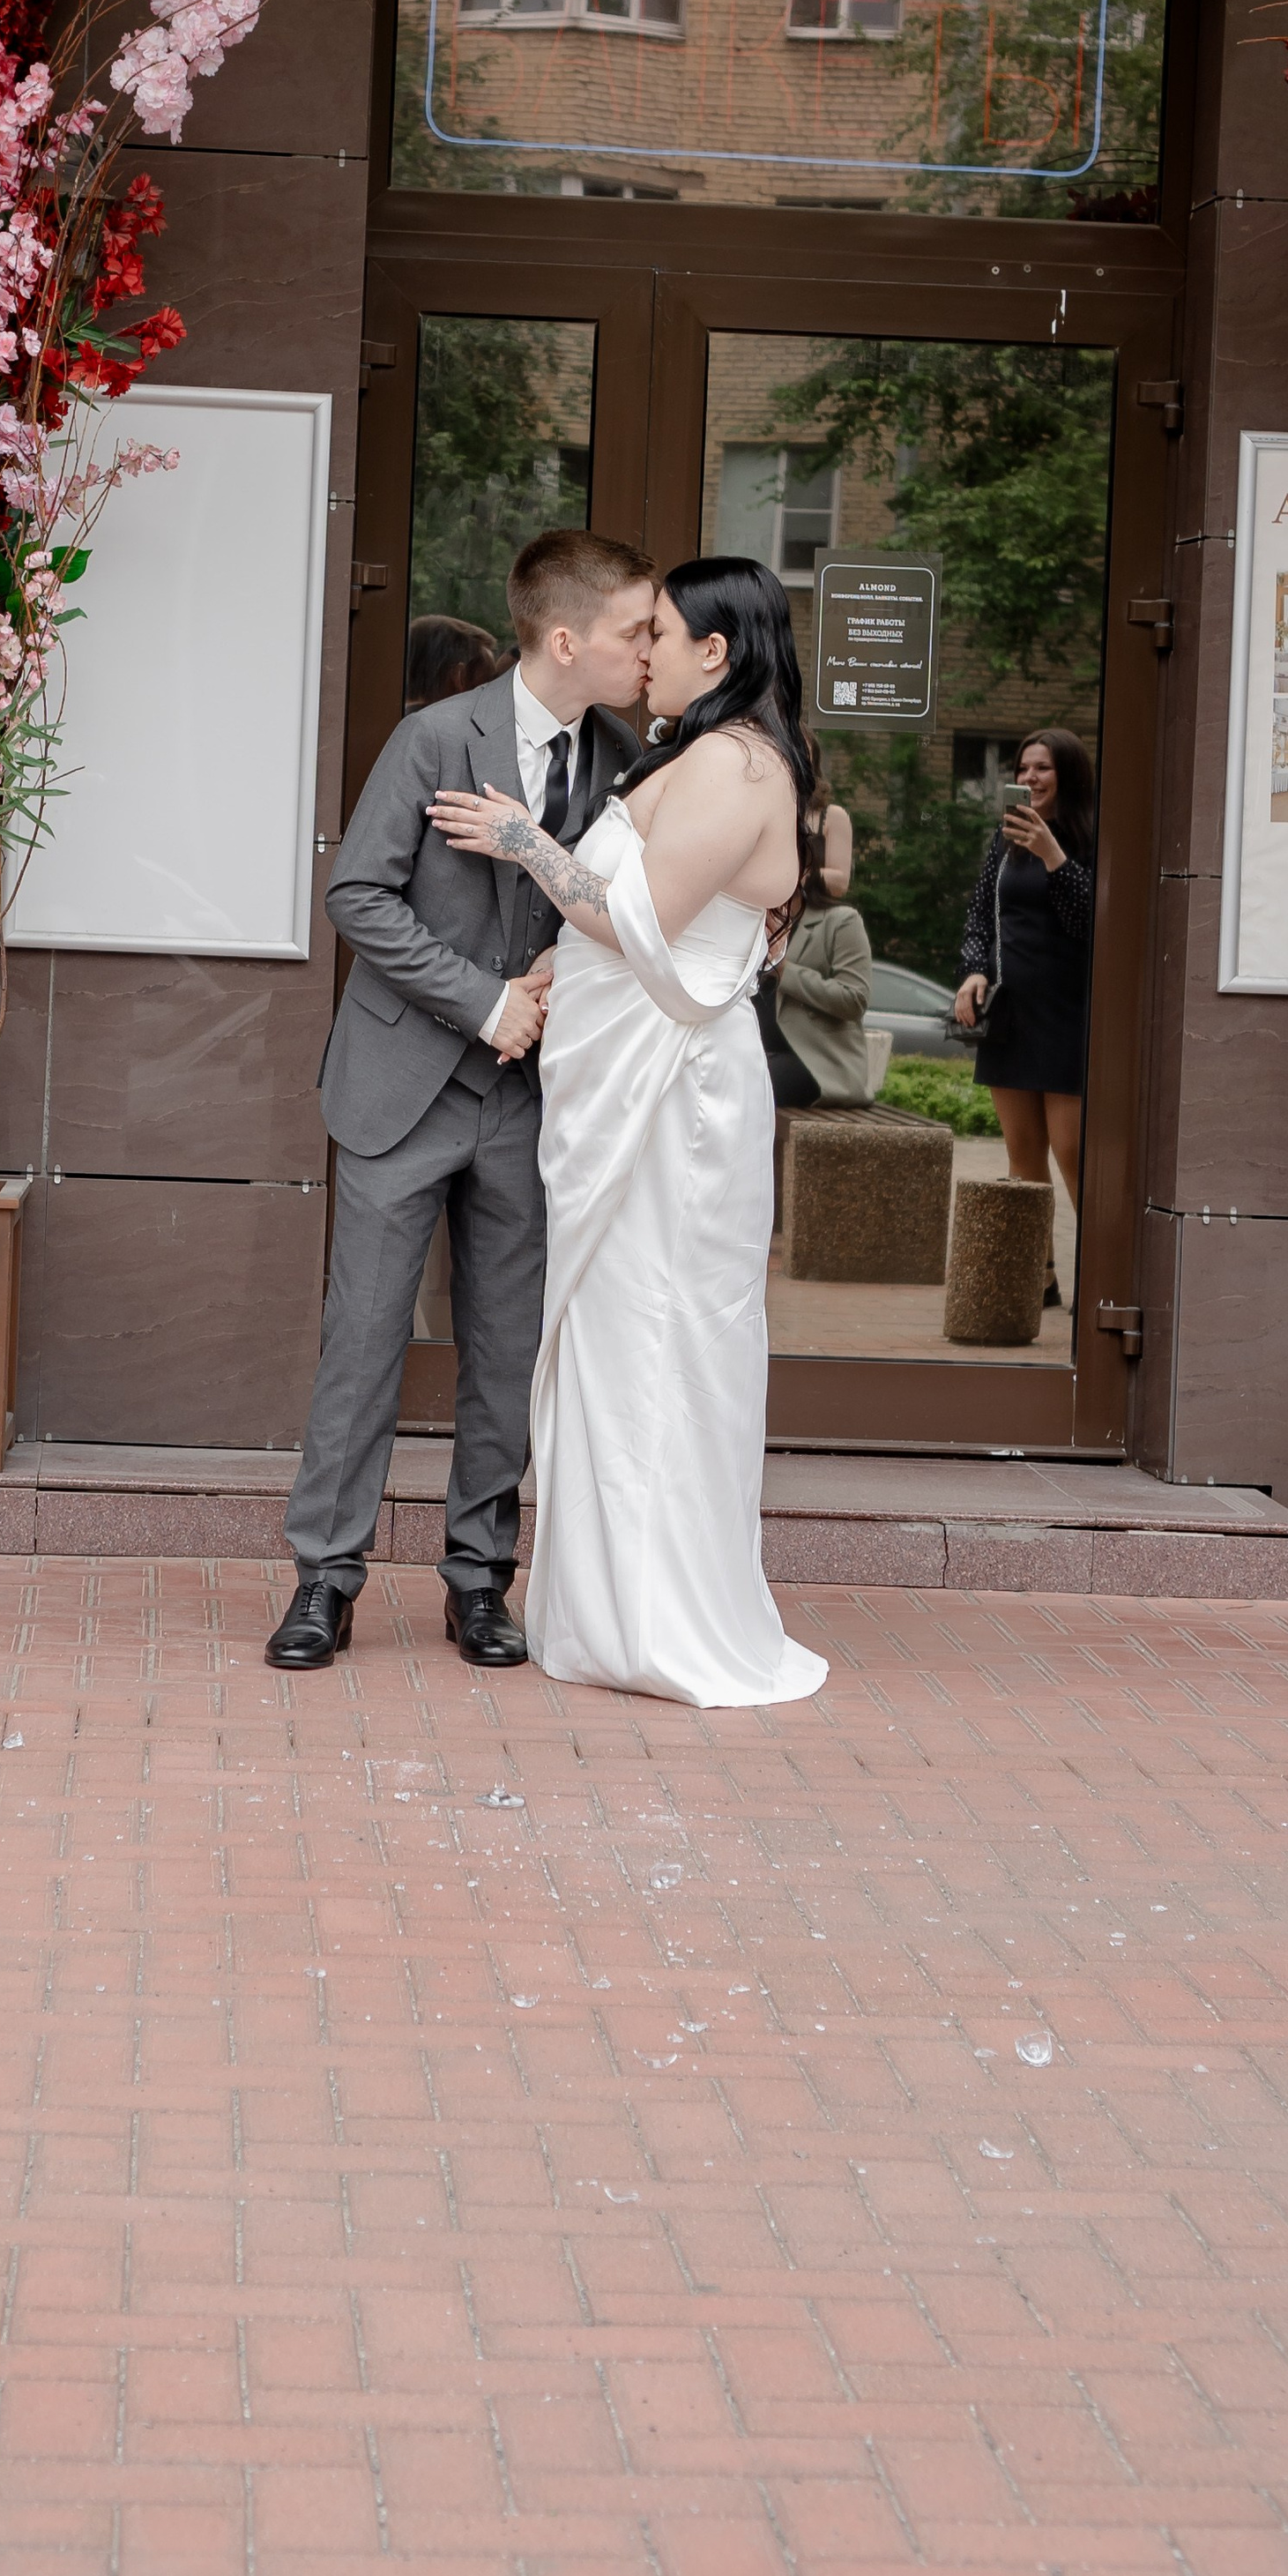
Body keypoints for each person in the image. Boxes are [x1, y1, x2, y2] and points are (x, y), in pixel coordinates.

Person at [429, 556, 830, 1711]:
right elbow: (629, 930)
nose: (637, 652)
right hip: (632, 1090)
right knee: (614, 1341)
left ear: (718, 650)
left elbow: (640, 920)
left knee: (661, 1344)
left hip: (675, 1107)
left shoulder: (736, 764)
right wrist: (555, 962)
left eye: (659, 633)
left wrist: (521, 840)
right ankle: (603, 1611)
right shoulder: (702, 757)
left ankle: (658, 1622)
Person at [267, 530, 657, 1674]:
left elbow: (612, 920)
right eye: (635, 631)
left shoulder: (622, 761)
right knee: (364, 1347)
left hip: (534, 1105)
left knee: (505, 1357)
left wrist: (551, 987)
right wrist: (486, 1001)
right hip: (403, 1091)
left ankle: (480, 1584)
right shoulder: (436, 737)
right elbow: (358, 895)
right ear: (568, 637)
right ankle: (324, 1583)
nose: (649, 650)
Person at [951, 728, 1095, 1292]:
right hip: (1012, 1010)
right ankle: (1042, 1279)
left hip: (1068, 1012)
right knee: (1023, 1154)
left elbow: (1091, 922)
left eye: (1044, 769)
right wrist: (974, 969)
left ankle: (1104, 1266)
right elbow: (980, 919)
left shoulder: (1088, 838)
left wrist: (1053, 854)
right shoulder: (1002, 843)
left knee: (1073, 1149)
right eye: (1024, 768)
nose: (1030, 779)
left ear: (1068, 776)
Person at [763, 835, 875, 1109]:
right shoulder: (756, 921)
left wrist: (783, 969)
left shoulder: (841, 921)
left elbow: (854, 1000)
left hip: (817, 1063)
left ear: (807, 871)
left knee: (744, 1085)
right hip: (757, 1053)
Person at [405, 613, 503, 712]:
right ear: (460, 678)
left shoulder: (396, 720)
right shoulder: (446, 725)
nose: (495, 693)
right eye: (488, 682)